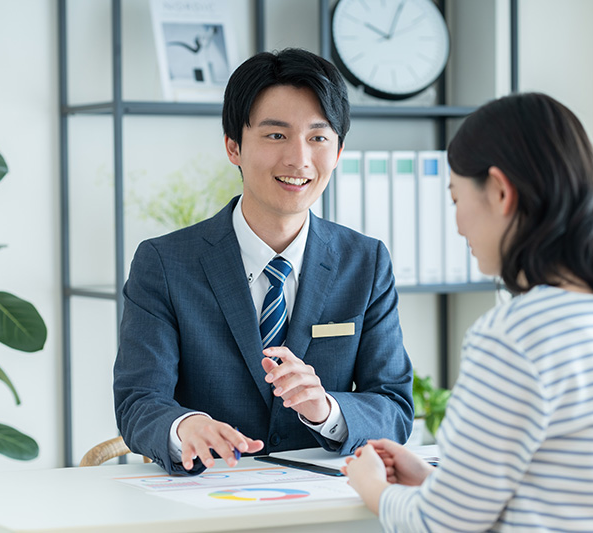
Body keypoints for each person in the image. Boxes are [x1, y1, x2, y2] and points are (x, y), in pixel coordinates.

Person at [342, 92, 593, 532]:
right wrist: (437, 481)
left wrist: (375, 489)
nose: (457, 223)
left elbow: (441, 527)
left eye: (455, 200)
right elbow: (578, 497)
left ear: (502, 191)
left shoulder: (515, 333)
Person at [113, 48, 414, 476]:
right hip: (208, 499)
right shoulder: (164, 262)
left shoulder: (365, 262)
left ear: (339, 150)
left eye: (318, 137)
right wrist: (186, 426)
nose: (299, 159)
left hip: (325, 504)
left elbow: (394, 405)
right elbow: (138, 400)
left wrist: (326, 409)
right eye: (276, 136)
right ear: (234, 147)